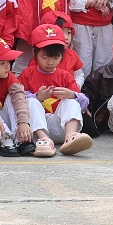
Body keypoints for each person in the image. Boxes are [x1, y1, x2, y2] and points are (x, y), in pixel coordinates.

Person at [15, 23, 92, 156]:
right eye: (44, 58)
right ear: (34, 53)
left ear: (62, 55)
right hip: (36, 129)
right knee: (31, 102)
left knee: (72, 101)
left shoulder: (65, 75)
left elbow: (84, 102)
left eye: (56, 58)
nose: (50, 62)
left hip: (60, 126)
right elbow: (17, 99)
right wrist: (37, 97)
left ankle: (70, 137)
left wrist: (71, 95)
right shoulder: (28, 73)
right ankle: (44, 140)